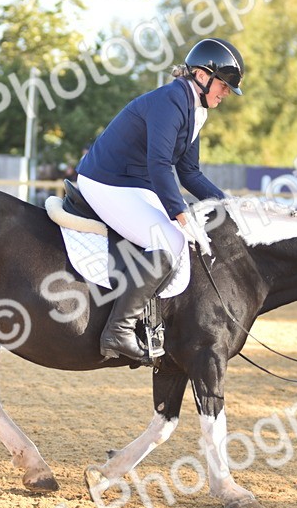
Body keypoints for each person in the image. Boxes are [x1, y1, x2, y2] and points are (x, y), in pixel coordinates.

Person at [77, 37, 245, 363]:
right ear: (201, 75)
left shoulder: (196, 111)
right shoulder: (170, 101)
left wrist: (229, 205)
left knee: (179, 236)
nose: (226, 93)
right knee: (169, 239)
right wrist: (180, 213)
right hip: (106, 181)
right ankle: (119, 330)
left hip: (134, 185)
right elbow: (159, 164)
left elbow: (190, 172)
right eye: (223, 85)